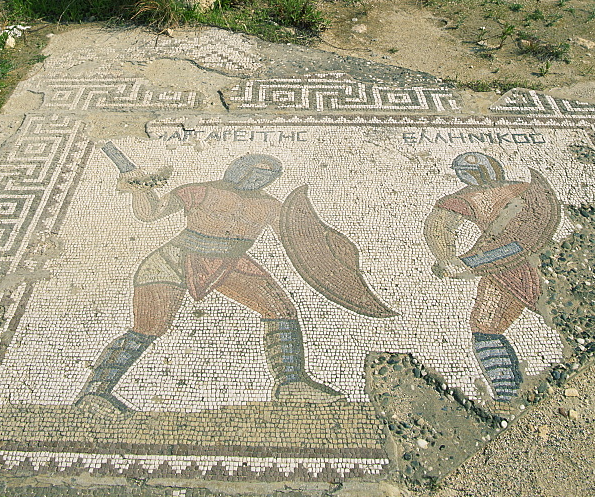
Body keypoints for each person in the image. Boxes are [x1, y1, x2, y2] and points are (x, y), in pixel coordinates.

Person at [76, 149, 395, 412]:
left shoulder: (270, 206)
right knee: (149, 326)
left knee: (280, 308)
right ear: (236, 167)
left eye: (266, 174)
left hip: (229, 262)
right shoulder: (200, 190)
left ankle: (292, 384)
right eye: (252, 170)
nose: (256, 178)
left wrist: (334, 259)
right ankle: (95, 394)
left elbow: (301, 241)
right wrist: (139, 188)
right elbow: (151, 213)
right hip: (174, 258)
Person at [423, 152, 561, 402]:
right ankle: (506, 391)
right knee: (487, 326)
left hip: (506, 267)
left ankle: (506, 395)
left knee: (485, 326)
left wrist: (452, 261)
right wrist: (448, 258)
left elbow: (439, 226)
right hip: (515, 261)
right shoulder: (525, 189)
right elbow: (440, 226)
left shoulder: (473, 196)